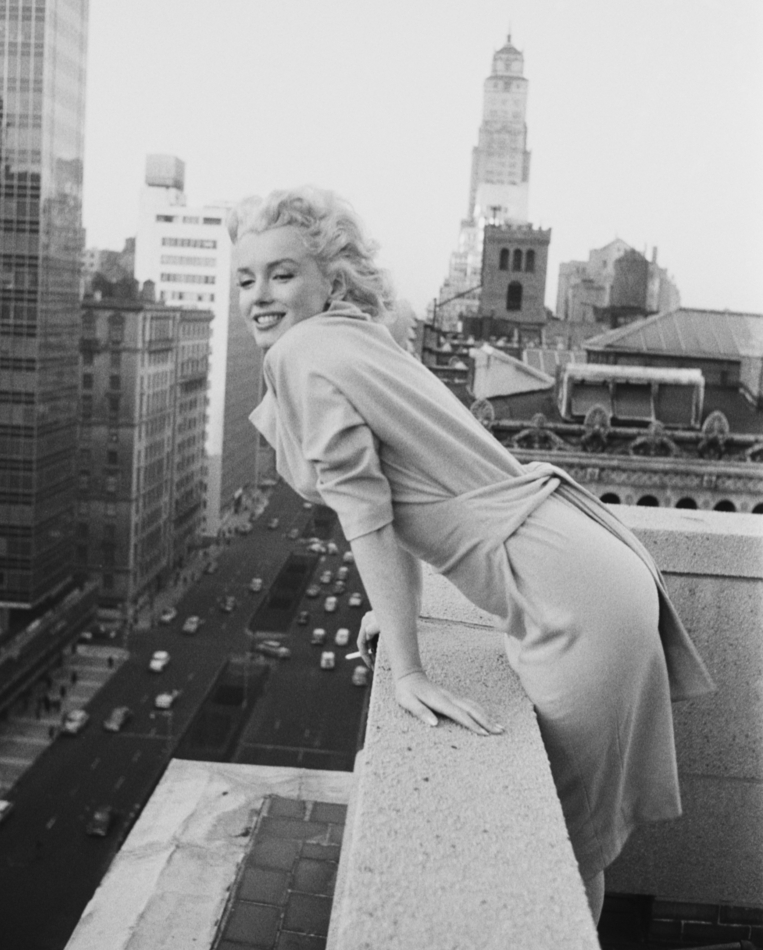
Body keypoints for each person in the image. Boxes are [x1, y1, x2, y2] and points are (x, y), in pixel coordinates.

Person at [230, 186, 714, 923]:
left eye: (282, 274)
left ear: (331, 278)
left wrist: (411, 671)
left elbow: (367, 520)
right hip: (583, 559)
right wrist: (397, 623)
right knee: (575, 845)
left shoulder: (303, 352)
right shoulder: (358, 332)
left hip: (567, 593)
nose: (259, 297)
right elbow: (398, 507)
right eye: (245, 278)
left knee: (562, 851)